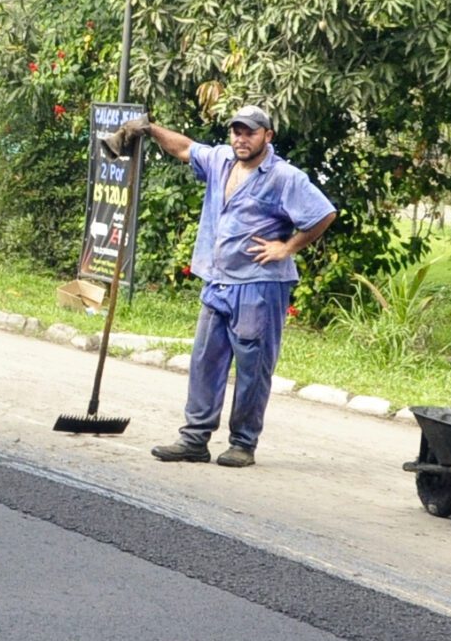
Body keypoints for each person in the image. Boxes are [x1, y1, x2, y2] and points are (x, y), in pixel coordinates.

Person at [128, 105, 336, 468]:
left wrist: (286, 247)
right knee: (205, 361)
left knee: (253, 367)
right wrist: (148, 129)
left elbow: (323, 213)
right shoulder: (222, 161)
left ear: (267, 136)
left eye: (249, 132)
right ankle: (194, 439)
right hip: (218, 281)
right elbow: (184, 148)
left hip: (259, 286)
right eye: (236, 132)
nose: (241, 139)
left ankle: (243, 443)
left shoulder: (283, 177)